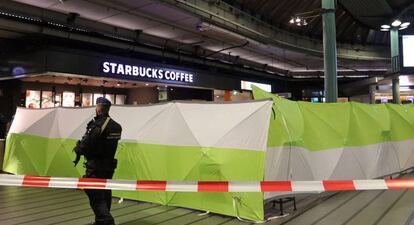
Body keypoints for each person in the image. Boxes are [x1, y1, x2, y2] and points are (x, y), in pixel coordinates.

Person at [74, 97, 122, 225]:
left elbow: (86, 145)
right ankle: (100, 221)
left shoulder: (97, 125)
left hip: (95, 166)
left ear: (99, 109)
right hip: (109, 166)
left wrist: (78, 148)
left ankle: (105, 220)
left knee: (93, 191)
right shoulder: (117, 126)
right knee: (105, 191)